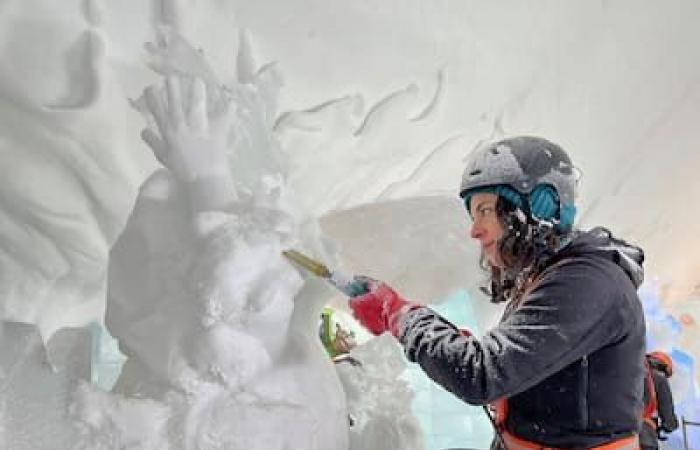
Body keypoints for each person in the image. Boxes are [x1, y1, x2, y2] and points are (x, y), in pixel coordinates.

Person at [348, 136, 647, 449]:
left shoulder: (585, 283)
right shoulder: (552, 278)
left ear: (540, 204)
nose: (474, 230)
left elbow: (483, 373)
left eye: (485, 210)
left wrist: (397, 313)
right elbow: (509, 363)